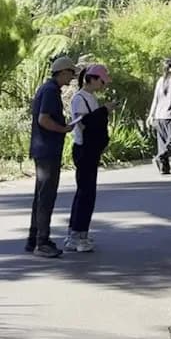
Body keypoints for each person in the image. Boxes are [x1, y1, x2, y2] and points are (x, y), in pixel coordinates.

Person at [26, 55, 78, 258]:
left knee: (40, 196)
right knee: (46, 197)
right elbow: (44, 119)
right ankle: (42, 242)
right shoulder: (49, 91)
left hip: (43, 149)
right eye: (70, 73)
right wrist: (63, 129)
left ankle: (34, 239)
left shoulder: (48, 90)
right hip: (47, 150)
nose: (71, 78)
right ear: (62, 72)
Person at [64, 64, 113, 253]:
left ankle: (79, 233)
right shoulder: (79, 99)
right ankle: (76, 235)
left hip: (91, 150)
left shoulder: (91, 98)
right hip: (84, 149)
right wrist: (104, 111)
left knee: (87, 192)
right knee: (85, 193)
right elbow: (84, 123)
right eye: (101, 81)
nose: (103, 85)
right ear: (91, 79)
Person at [147, 56, 171, 175]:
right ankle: (159, 157)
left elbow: (155, 99)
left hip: (159, 116)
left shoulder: (160, 80)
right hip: (169, 115)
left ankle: (165, 168)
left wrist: (151, 115)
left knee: (163, 143)